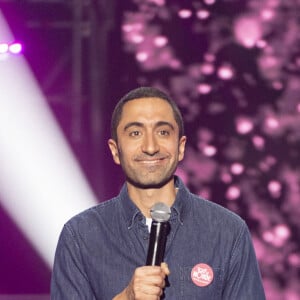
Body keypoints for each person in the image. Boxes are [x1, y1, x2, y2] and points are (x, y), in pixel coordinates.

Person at [51, 86, 266, 299]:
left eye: (163, 132)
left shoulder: (227, 232)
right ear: (116, 151)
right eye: (135, 133)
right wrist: (126, 298)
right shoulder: (80, 236)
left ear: (180, 147)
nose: (151, 146)